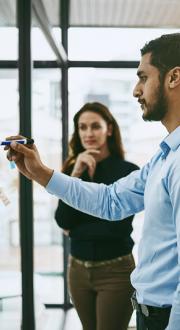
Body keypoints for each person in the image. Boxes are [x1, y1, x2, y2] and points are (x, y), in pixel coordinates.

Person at [6, 33, 180, 330]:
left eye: (143, 77)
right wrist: (40, 172)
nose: (136, 91)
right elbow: (111, 201)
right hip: (149, 312)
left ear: (174, 77)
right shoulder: (164, 156)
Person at [54, 102, 139, 330]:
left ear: (108, 129)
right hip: (78, 271)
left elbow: (117, 228)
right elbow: (63, 220)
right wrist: (76, 173)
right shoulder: (72, 169)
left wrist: (77, 230)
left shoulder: (128, 172)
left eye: (95, 126)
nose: (88, 133)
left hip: (116, 271)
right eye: (82, 127)